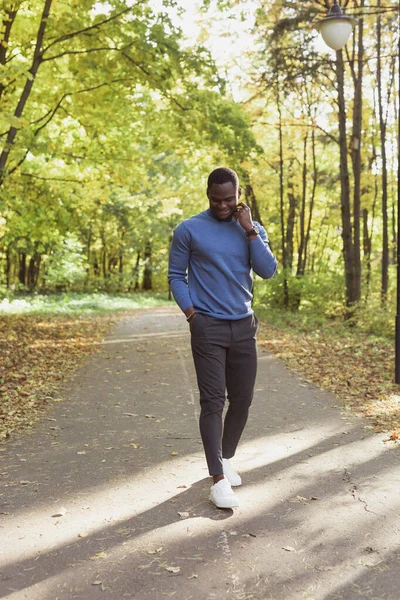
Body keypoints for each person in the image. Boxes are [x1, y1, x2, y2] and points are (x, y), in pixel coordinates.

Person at [168, 167, 277, 508]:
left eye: (229, 199)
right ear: (208, 195)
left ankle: (225, 459)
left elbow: (268, 270)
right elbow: (175, 275)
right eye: (216, 200)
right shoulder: (189, 229)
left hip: (244, 326)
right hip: (208, 327)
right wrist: (191, 314)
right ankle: (217, 480)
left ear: (238, 195)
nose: (222, 206)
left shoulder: (252, 229)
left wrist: (248, 231)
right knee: (213, 401)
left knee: (242, 400)